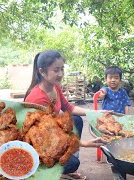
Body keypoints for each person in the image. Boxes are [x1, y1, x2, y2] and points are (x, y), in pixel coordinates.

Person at [24, 50, 107, 179]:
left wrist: (95, 113)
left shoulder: (54, 86)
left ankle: (67, 163)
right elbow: (48, 136)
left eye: (62, 69)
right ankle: (49, 172)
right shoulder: (37, 98)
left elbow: (68, 108)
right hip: (41, 144)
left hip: (53, 134)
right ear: (42, 71)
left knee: (76, 120)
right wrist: (84, 143)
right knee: (73, 163)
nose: (61, 74)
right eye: (56, 70)